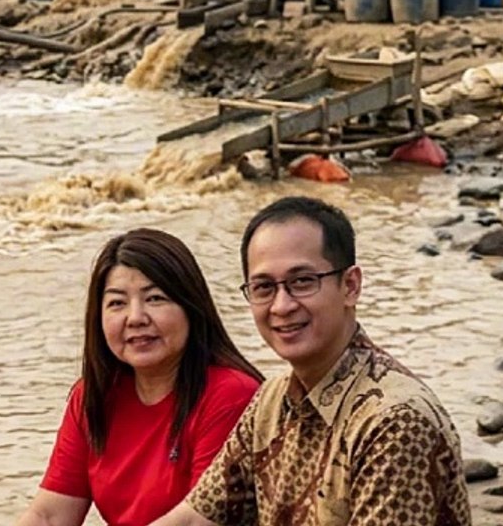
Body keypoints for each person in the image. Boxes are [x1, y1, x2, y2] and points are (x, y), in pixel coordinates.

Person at [150, 196, 470, 526]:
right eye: (263, 287)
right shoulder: (270, 402)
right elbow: (193, 519)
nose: (282, 305)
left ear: (350, 286)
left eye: (302, 281)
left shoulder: (395, 422)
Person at [17, 228, 263, 526]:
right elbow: (49, 515)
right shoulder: (93, 397)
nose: (135, 317)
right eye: (117, 303)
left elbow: (198, 522)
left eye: (155, 298)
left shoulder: (231, 394)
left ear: (191, 306)